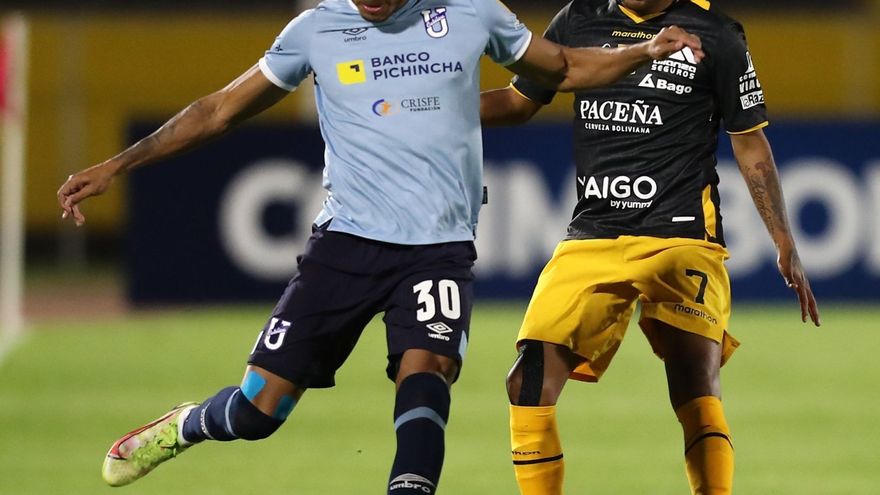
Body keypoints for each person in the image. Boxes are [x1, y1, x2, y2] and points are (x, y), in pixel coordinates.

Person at [57, 0, 704, 493]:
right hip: (344, 246)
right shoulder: (316, 29)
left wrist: (646, 50)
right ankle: (186, 424)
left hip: (439, 250)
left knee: (428, 373)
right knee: (260, 411)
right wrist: (119, 164)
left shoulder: (471, 13)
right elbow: (218, 110)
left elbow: (562, 67)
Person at [480, 0, 821, 493]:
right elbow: (519, 101)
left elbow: (749, 141)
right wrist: (433, 110)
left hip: (681, 237)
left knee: (694, 384)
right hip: (594, 234)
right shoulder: (578, 19)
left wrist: (784, 239)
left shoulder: (717, 33)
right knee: (526, 381)